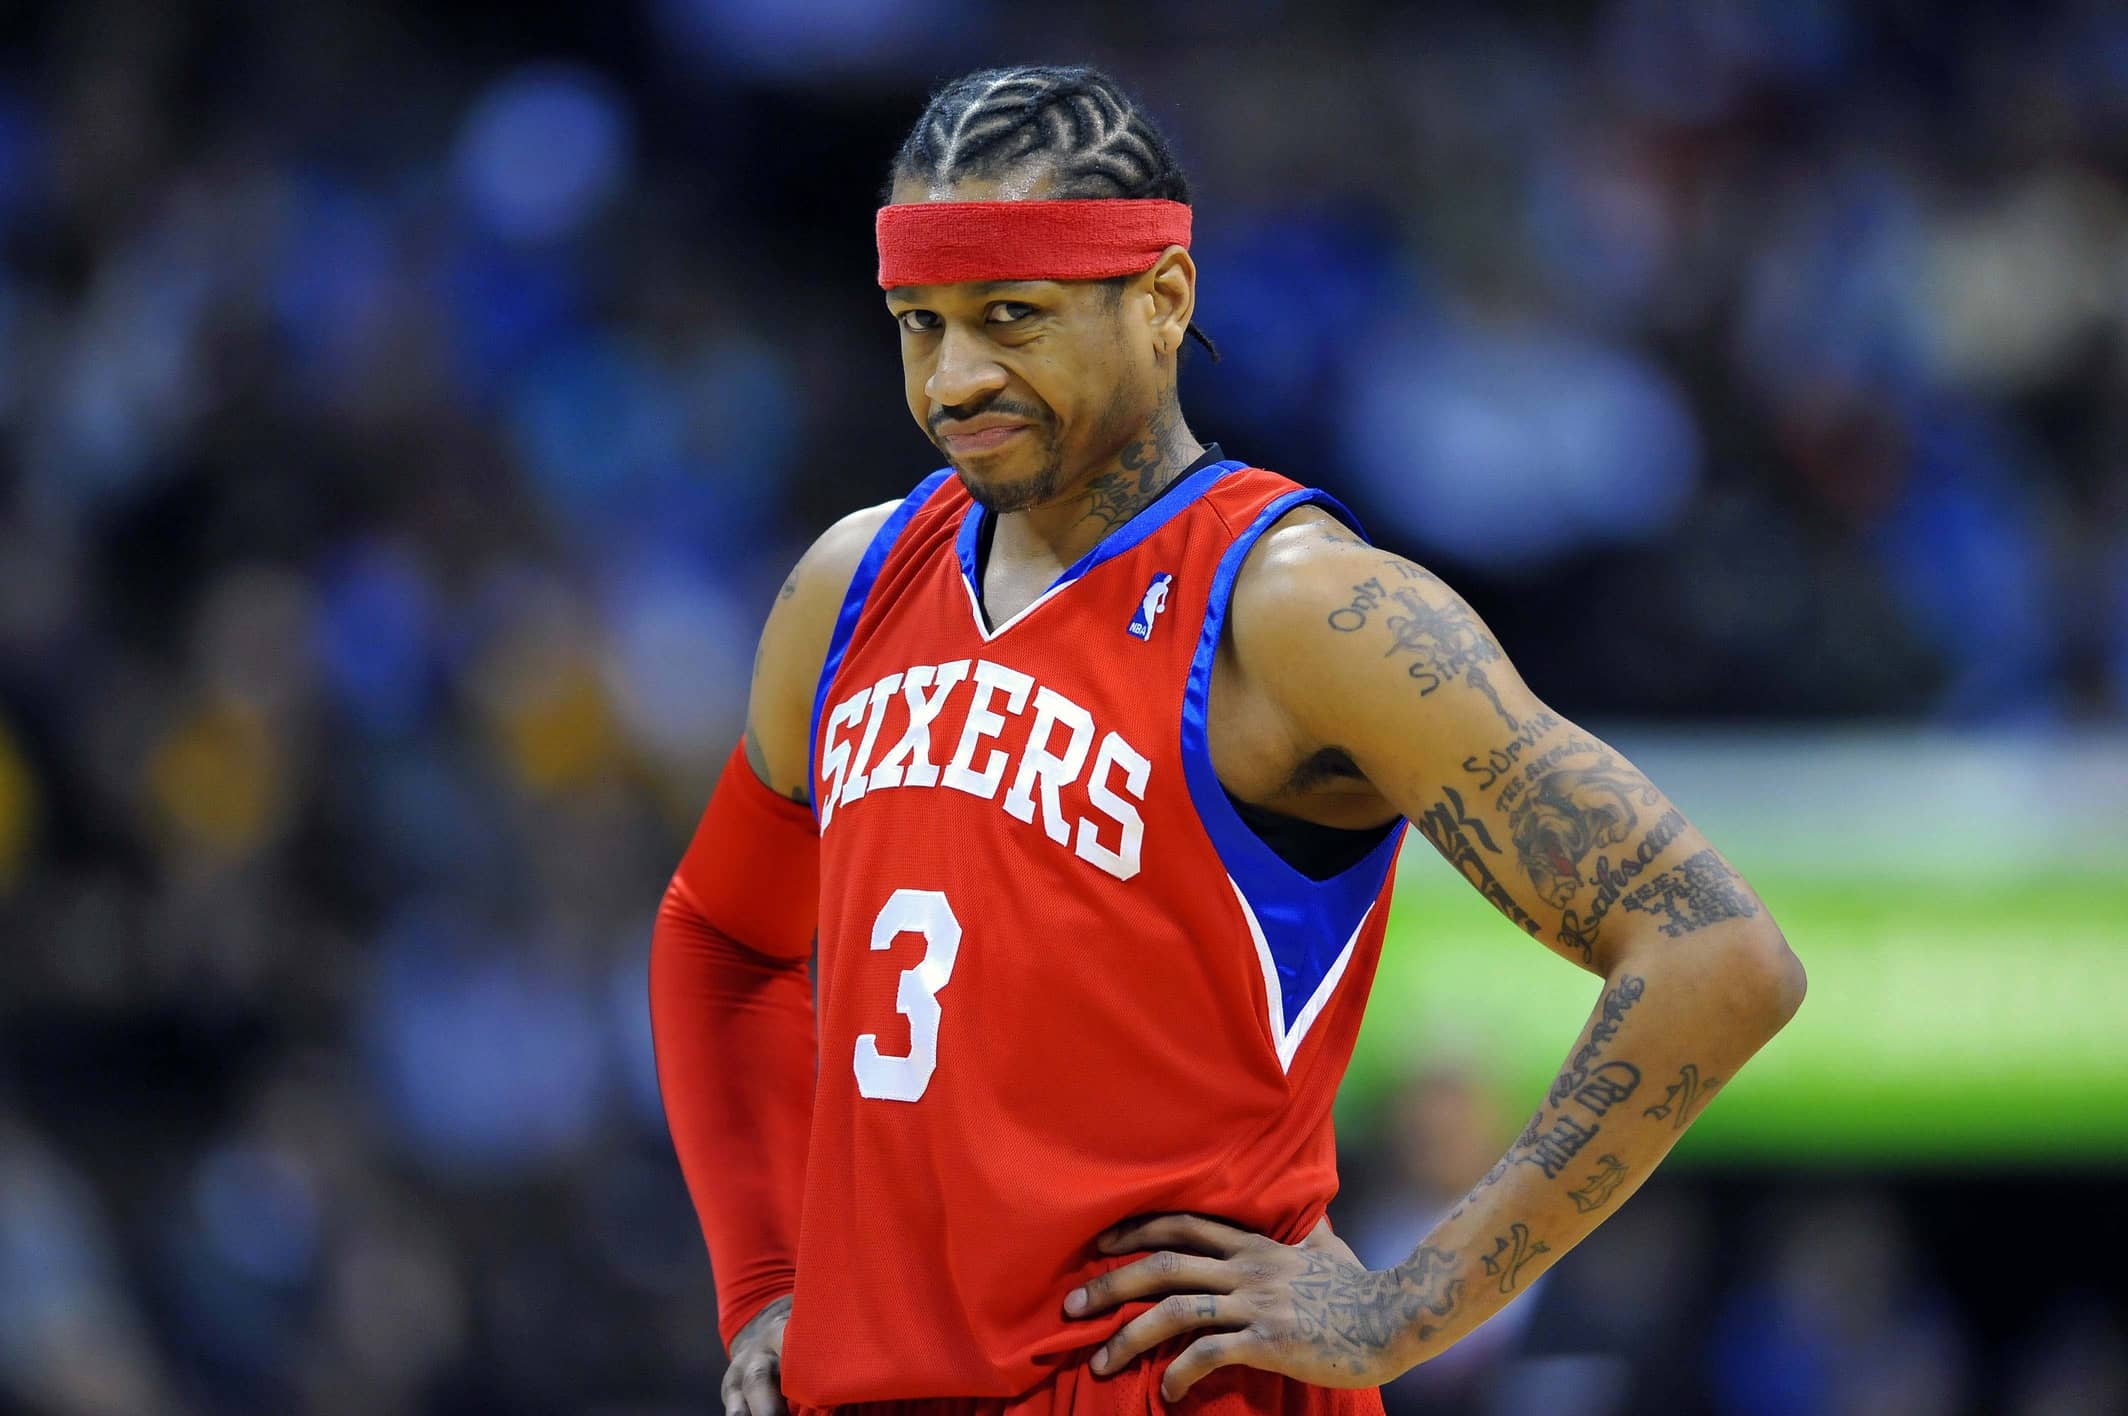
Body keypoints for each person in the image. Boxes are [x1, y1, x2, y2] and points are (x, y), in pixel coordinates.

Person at [649, 64, 1805, 1416]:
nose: (956, 378)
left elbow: (1716, 951)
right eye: (921, 325)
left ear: (1163, 300)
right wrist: (765, 1278)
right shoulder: (851, 583)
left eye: (1009, 318)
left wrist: (1405, 1306)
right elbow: (718, 938)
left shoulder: (1303, 608)